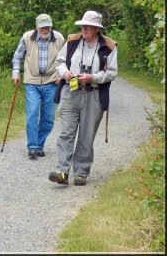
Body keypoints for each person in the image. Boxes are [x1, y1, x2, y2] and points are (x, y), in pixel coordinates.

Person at [49, 10, 118, 186]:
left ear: (97, 29)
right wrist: (65, 73)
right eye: (82, 26)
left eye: (88, 26)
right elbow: (59, 62)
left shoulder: (109, 46)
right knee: (66, 132)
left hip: (93, 94)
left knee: (86, 136)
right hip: (70, 92)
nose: (84, 29)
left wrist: (92, 77)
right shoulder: (72, 41)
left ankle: (81, 172)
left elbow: (112, 72)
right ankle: (61, 171)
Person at [12, 14, 65, 159]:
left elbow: (66, 59)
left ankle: (40, 144)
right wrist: (16, 73)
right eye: (42, 27)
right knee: (32, 113)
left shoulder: (59, 38)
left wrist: (61, 75)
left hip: (51, 82)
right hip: (32, 82)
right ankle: (32, 147)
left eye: (48, 26)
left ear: (51, 26)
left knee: (48, 118)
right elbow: (17, 57)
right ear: (36, 26)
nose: (45, 29)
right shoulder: (27, 37)